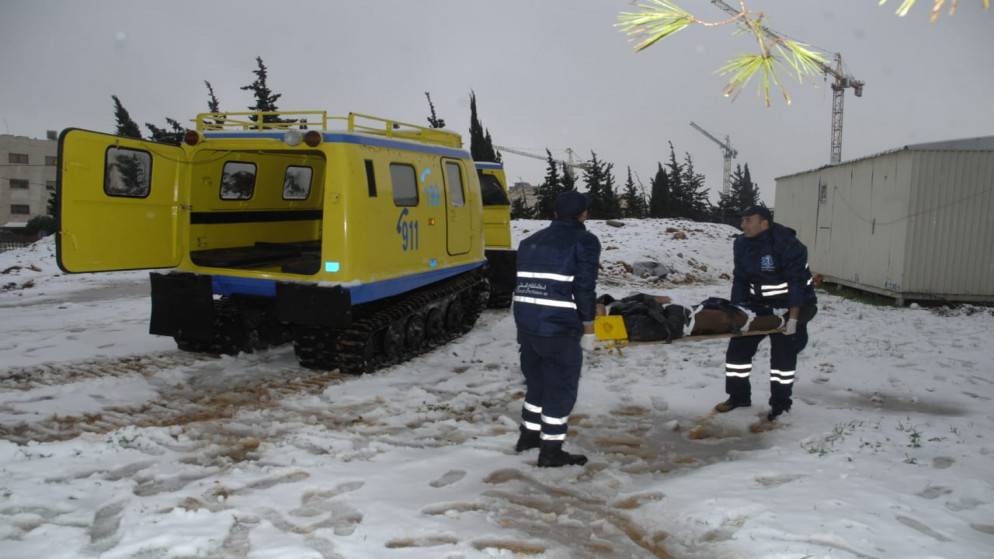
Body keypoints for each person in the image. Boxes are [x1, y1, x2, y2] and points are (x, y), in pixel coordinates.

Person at [512, 190, 601, 467]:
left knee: (536, 384)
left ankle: (528, 436)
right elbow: (584, 288)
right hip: (558, 330)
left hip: (527, 326)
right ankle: (551, 452)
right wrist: (589, 327)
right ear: (583, 215)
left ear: (554, 214)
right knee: (560, 390)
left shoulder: (529, 242)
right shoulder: (584, 241)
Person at [715, 205, 817, 421]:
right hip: (758, 305)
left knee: (783, 356)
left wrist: (794, 319)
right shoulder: (741, 243)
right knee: (737, 351)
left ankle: (780, 406)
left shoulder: (788, 244)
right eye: (742, 221)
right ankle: (738, 396)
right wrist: (738, 311)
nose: (743, 225)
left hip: (793, 305)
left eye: (748, 220)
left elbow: (797, 283)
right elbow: (740, 278)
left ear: (764, 223)